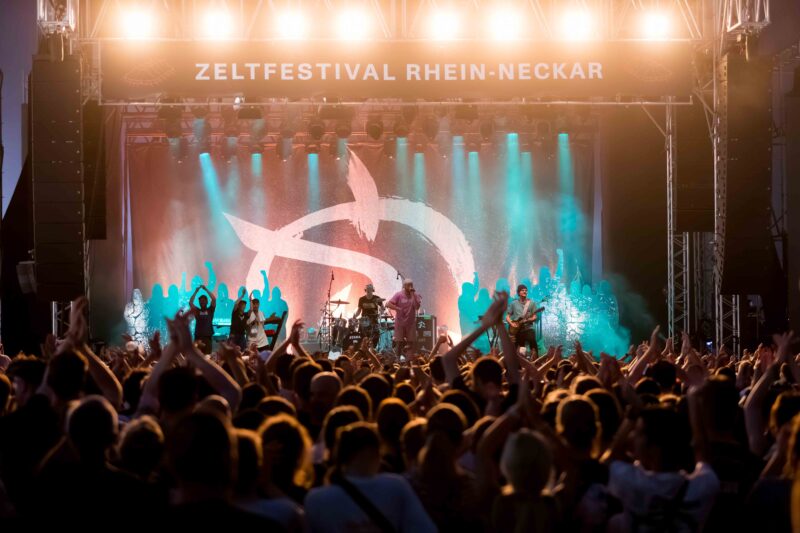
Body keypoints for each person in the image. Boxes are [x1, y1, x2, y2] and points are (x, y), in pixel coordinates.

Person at [386, 279, 422, 354]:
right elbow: (388, 304)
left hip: (410, 323)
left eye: (411, 285)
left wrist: (413, 295)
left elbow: (417, 307)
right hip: (400, 322)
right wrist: (397, 308)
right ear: (404, 286)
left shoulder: (415, 295)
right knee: (399, 343)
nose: (410, 286)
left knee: (411, 344)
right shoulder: (398, 294)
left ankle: (409, 358)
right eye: (408, 285)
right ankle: (397, 358)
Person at [505, 284, 541, 357]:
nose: (525, 292)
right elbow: (507, 317)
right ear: (518, 293)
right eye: (522, 290)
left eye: (526, 290)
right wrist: (512, 324)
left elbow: (535, 316)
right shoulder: (513, 303)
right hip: (517, 329)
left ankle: (536, 359)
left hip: (528, 328)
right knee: (520, 348)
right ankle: (520, 361)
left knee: (532, 340)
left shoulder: (532, 303)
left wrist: (529, 319)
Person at [189, 284, 216, 354]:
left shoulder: (210, 310)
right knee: (197, 356)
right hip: (198, 337)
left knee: (207, 356)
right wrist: (196, 291)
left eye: (204, 300)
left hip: (207, 337)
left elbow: (213, 299)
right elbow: (190, 302)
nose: (202, 302)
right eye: (200, 301)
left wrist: (206, 289)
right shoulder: (197, 311)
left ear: (207, 302)